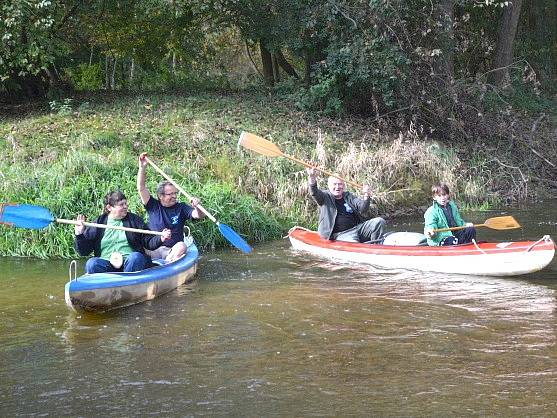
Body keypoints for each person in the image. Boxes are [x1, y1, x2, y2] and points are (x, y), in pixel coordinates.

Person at [74, 191, 172, 274]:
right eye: (121, 205)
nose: (125, 206)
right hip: (107, 264)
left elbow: (149, 242)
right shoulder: (99, 222)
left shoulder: (134, 220)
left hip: (131, 263)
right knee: (92, 263)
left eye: (126, 204)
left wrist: (161, 238)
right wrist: (79, 234)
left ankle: (128, 284)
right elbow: (83, 252)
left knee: (136, 257)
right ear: (109, 207)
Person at [137, 153, 203, 262]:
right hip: (152, 248)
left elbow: (198, 215)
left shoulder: (181, 207)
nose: (174, 196)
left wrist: (197, 207)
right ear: (161, 196)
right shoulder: (152, 205)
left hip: (171, 250)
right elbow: (141, 187)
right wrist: (142, 167)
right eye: (170, 194)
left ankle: (168, 263)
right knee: (136, 245)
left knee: (182, 246)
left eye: (175, 193)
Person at [307, 167, 386, 242]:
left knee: (379, 221)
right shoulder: (324, 196)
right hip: (341, 234)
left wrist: (366, 195)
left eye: (340, 184)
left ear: (343, 186)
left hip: (357, 229)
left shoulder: (348, 196)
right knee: (354, 243)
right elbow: (314, 192)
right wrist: (312, 177)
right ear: (329, 186)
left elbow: (363, 209)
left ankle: (375, 246)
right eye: (334, 184)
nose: (337, 187)